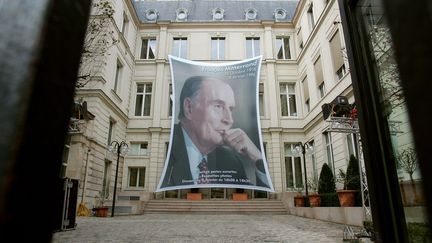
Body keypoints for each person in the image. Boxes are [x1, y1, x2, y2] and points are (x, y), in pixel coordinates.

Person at [161, 76, 269, 188]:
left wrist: (258, 158)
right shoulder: (166, 149)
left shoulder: (230, 159)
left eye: (230, 109)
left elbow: (256, 201)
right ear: (189, 108)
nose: (229, 120)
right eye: (218, 106)